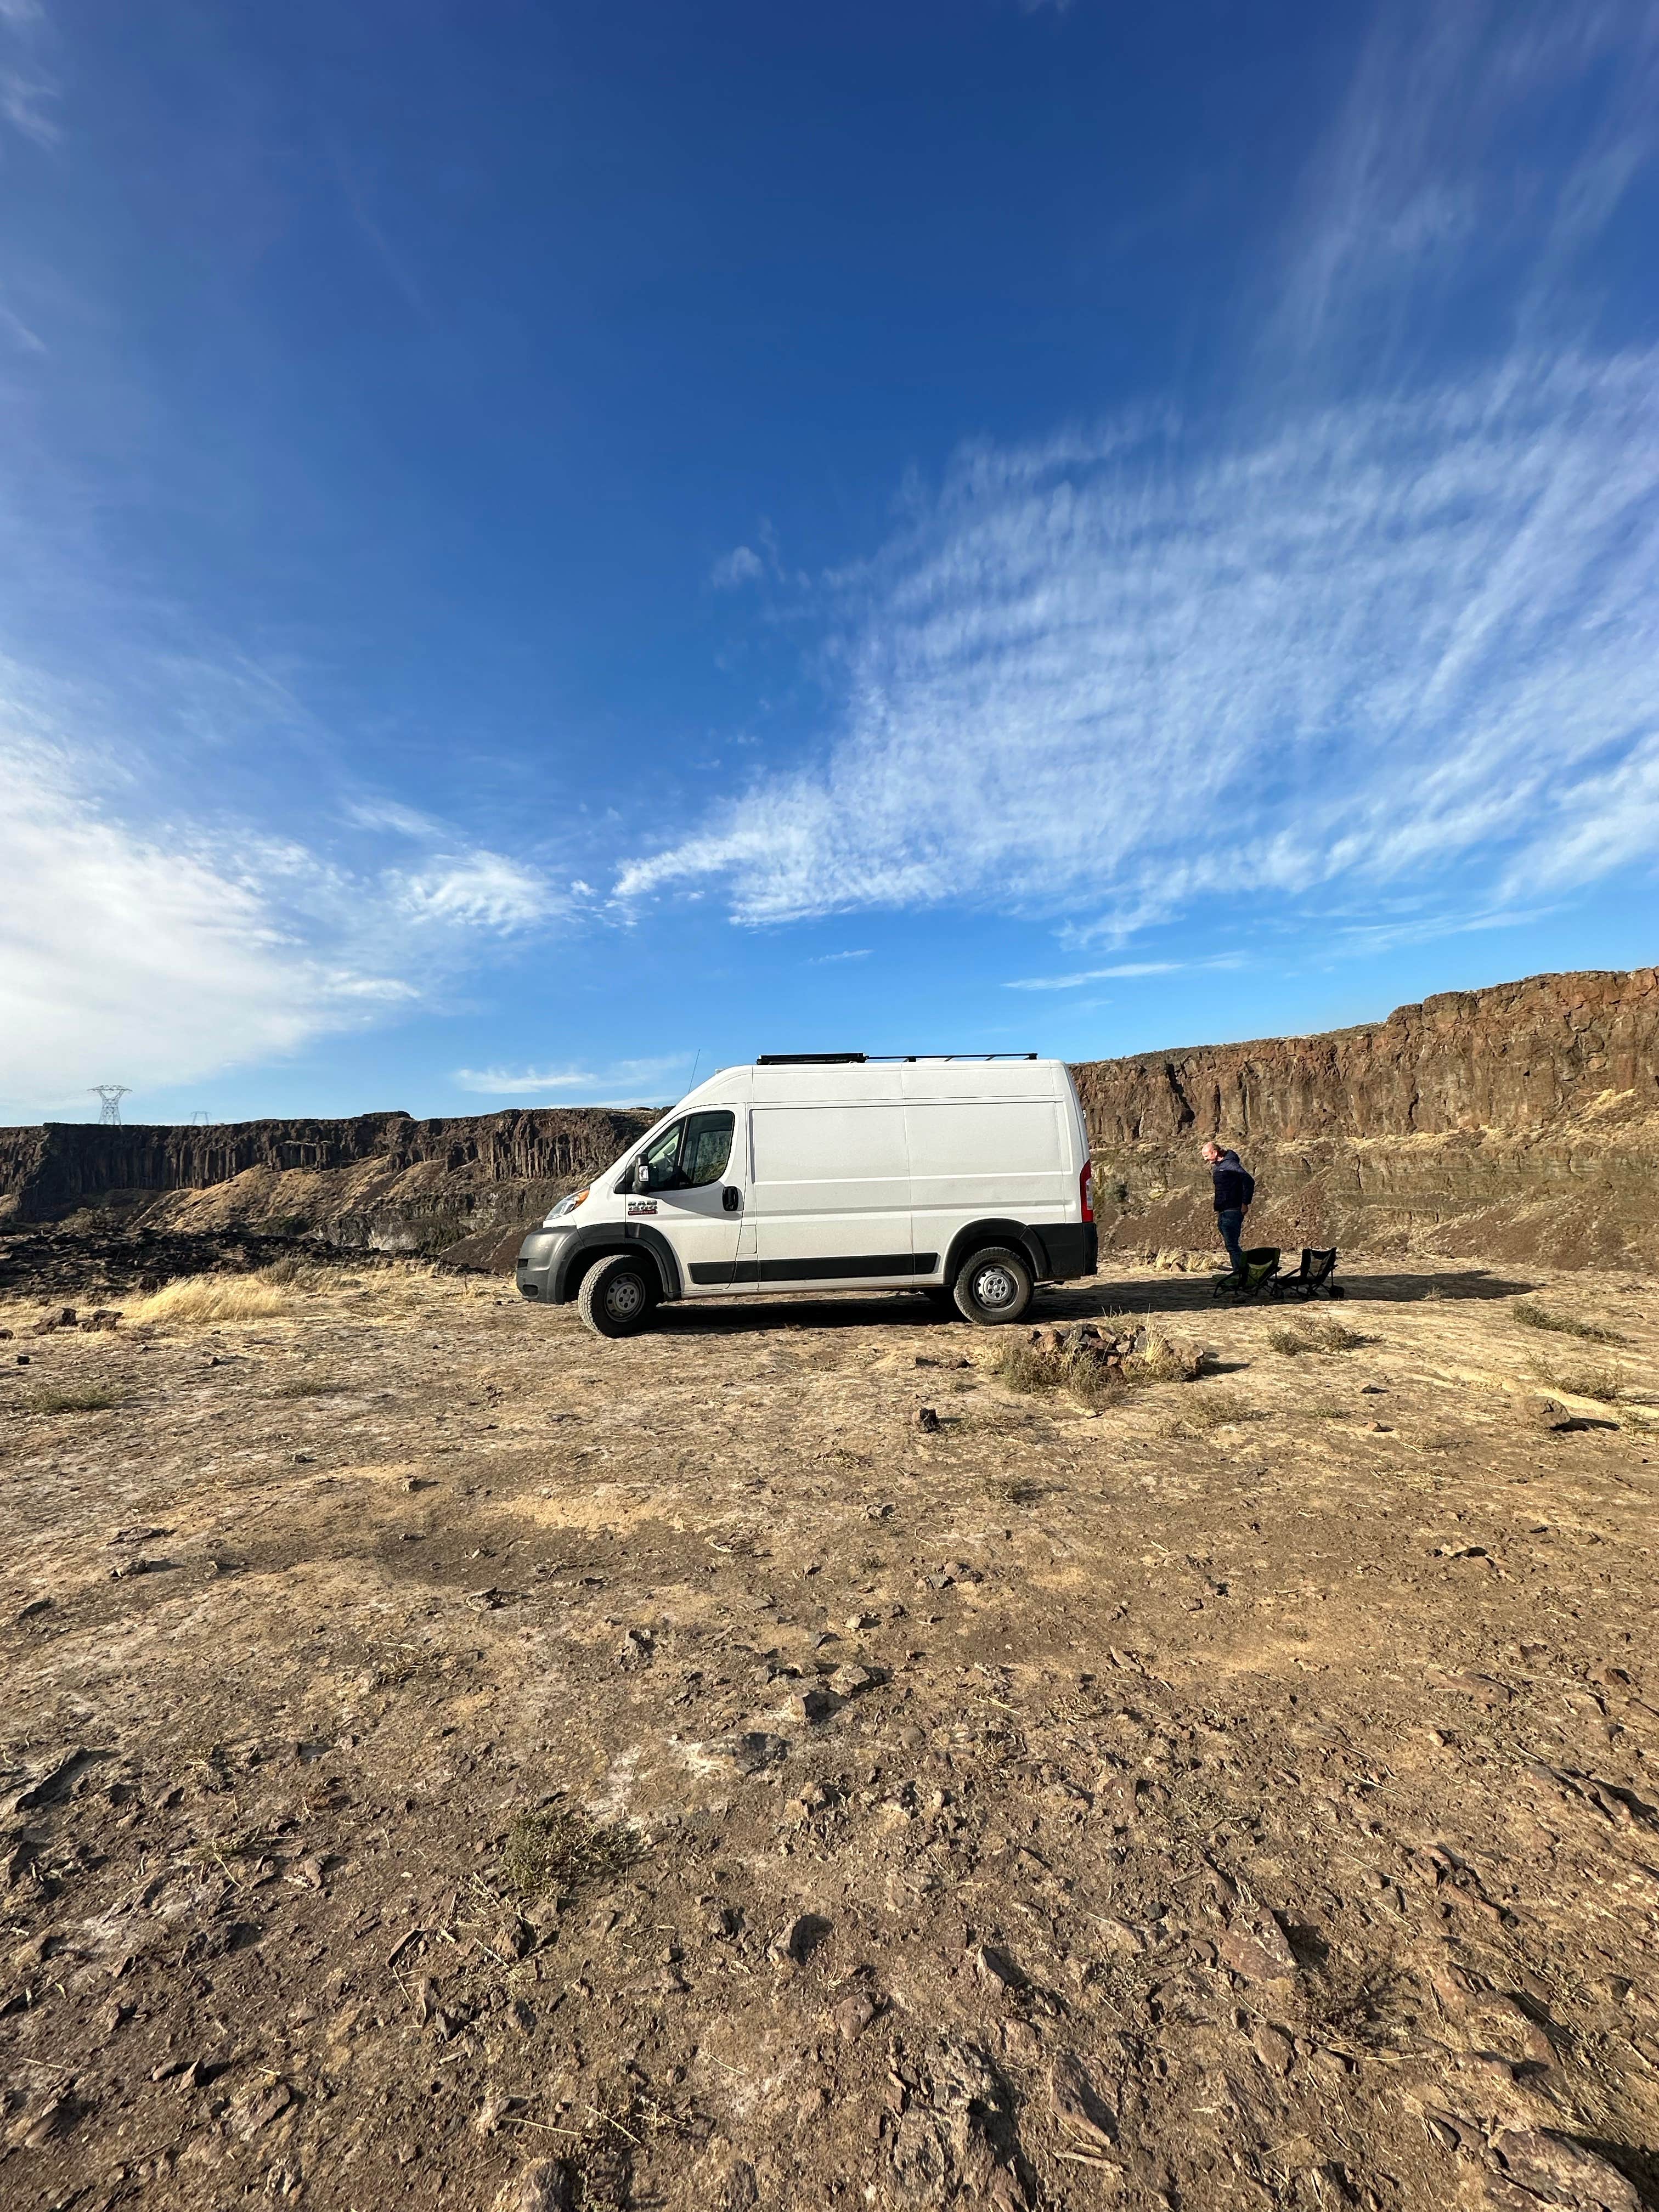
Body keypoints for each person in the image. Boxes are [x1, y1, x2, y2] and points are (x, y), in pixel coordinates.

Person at [1201, 1139, 1254, 1277]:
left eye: (1207, 1156)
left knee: (1232, 1245)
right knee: (1231, 1245)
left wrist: (1245, 1203)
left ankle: (1244, 1273)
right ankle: (1241, 1272)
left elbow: (1249, 1181)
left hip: (1233, 1209)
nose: (1205, 1159)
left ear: (1215, 1152)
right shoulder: (1219, 1167)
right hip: (1224, 1210)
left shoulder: (1230, 1165)